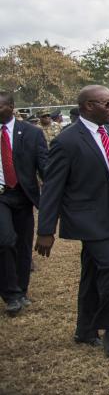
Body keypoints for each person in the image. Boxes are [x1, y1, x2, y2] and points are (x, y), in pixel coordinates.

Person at [35, 85, 109, 359]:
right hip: (86, 218)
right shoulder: (67, 141)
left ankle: (85, 329)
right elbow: (53, 188)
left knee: (92, 270)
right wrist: (45, 230)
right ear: (88, 106)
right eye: (107, 103)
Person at [0, 91, 47, 315]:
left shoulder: (31, 133)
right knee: (5, 240)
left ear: (11, 106)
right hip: (1, 196)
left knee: (23, 244)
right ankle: (10, 294)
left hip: (23, 195)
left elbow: (44, 166)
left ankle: (21, 290)